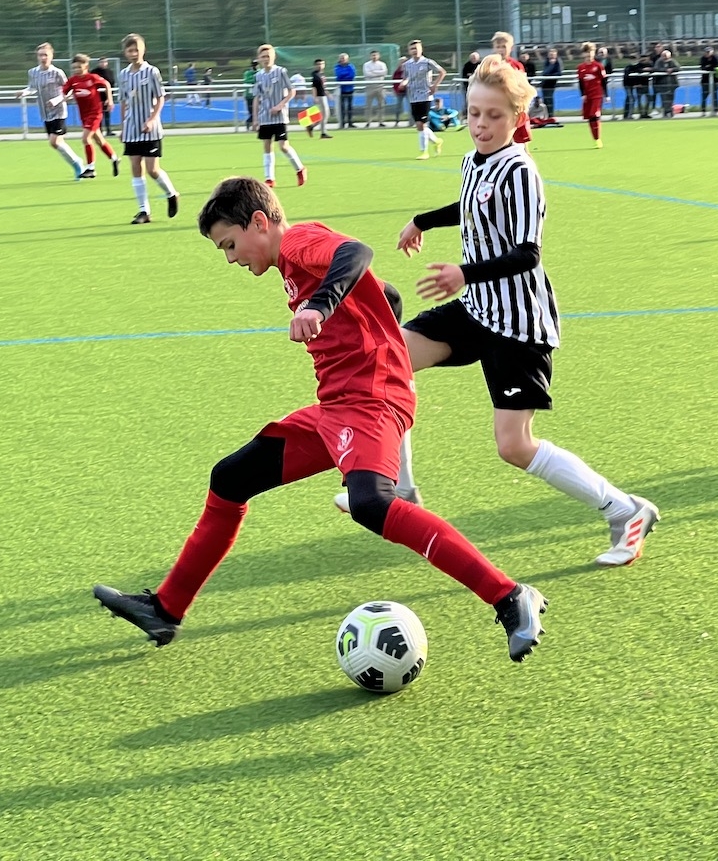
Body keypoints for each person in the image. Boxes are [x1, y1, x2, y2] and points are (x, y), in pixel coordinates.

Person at [93, 176, 549, 663]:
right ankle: (165, 608)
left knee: (371, 503)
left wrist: (319, 306)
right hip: (335, 407)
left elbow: (356, 253)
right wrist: (377, 321)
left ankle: (508, 596)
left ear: (259, 223)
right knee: (230, 479)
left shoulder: (297, 241)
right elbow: (386, 293)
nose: (230, 258)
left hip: (369, 401)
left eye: (229, 244)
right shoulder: (292, 261)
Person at [335, 55, 659, 567]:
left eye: (494, 116)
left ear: (517, 118)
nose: (481, 125)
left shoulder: (521, 172)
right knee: (388, 361)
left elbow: (528, 253)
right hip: (476, 310)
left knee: (514, 446)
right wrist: (422, 220)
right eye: (473, 113)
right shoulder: (474, 161)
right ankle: (400, 489)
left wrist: (464, 273)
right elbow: (472, 206)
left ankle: (626, 510)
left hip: (518, 325)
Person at [118, 33, 179, 224]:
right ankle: (143, 211)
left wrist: (152, 119)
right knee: (136, 167)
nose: (133, 53)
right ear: (125, 52)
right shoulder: (123, 75)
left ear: (143, 50)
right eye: (130, 50)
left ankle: (171, 194)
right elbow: (123, 102)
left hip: (150, 129)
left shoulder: (152, 71)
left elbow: (160, 98)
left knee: (152, 169)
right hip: (132, 128)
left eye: (136, 50)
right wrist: (122, 126)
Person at [16, 43, 84, 179]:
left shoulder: (57, 72)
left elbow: (69, 91)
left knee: (54, 141)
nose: (43, 58)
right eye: (40, 55)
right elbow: (32, 88)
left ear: (51, 56)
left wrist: (56, 100)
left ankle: (77, 164)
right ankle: (77, 162)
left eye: (45, 55)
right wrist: (24, 92)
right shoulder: (33, 72)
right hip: (45, 113)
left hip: (59, 111)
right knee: (57, 143)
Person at [253, 43, 307, 188]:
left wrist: (280, 106)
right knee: (267, 146)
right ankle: (269, 178)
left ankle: (300, 169)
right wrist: (255, 118)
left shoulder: (281, 72)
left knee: (283, 146)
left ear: (273, 57)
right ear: (259, 59)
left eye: (268, 56)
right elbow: (257, 97)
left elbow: (291, 91)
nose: (266, 59)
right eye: (263, 56)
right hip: (265, 117)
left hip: (280, 116)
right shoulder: (258, 76)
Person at [63, 52, 118, 180]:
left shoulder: (92, 78)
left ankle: (91, 168)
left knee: (86, 139)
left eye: (79, 67)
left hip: (95, 113)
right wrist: (64, 97)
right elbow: (64, 91)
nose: (76, 70)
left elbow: (106, 84)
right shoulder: (73, 80)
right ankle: (114, 158)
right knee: (99, 140)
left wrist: (109, 100)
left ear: (86, 66)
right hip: (84, 115)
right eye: (74, 68)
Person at [401, 39, 446, 160]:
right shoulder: (407, 64)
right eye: (412, 49)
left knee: (422, 124)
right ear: (409, 51)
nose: (414, 51)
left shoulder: (427, 62)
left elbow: (442, 72)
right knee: (419, 125)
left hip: (425, 96)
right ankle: (436, 141)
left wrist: (435, 85)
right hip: (412, 97)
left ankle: (424, 151)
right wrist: (403, 83)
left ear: (421, 49)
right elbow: (406, 78)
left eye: (416, 48)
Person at [490, 32, 532, 145]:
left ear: (511, 48)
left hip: (514, 108)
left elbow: (524, 87)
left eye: (504, 47)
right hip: (496, 108)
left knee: (521, 144)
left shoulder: (517, 65)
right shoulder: (489, 66)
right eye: (498, 47)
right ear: (494, 48)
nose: (500, 50)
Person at [577, 41, 605, 147]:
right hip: (587, 95)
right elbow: (580, 82)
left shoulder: (598, 66)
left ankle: (598, 139)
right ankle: (595, 138)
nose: (589, 55)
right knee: (589, 117)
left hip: (597, 94)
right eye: (586, 52)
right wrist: (583, 94)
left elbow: (604, 81)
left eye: (591, 52)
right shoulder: (581, 67)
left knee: (594, 114)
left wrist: (606, 95)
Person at [91, 57, 117, 135]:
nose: (103, 63)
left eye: (105, 62)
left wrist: (109, 98)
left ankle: (108, 130)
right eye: (101, 62)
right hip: (97, 97)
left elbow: (112, 84)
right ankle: (99, 131)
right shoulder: (94, 72)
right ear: (98, 63)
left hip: (107, 97)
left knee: (107, 115)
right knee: (98, 115)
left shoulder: (110, 72)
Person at [307, 59, 332, 139]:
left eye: (321, 64)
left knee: (325, 115)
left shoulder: (322, 74)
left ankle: (311, 126)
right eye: (318, 64)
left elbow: (323, 86)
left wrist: (328, 94)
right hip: (320, 96)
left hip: (323, 95)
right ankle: (323, 132)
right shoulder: (315, 75)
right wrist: (314, 97)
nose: (320, 66)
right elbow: (314, 87)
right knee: (324, 115)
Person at [363, 50, 388, 126]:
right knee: (368, 105)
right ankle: (368, 121)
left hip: (380, 86)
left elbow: (384, 72)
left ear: (378, 56)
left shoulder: (382, 64)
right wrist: (378, 73)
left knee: (381, 105)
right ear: (370, 56)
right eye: (373, 55)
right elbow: (367, 74)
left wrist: (373, 72)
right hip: (370, 86)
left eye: (375, 55)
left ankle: (381, 121)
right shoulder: (366, 65)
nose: (374, 57)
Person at [654, 49, 680, 117]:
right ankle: (665, 112)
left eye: (666, 56)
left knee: (671, 99)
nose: (665, 57)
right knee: (664, 99)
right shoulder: (659, 62)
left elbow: (678, 68)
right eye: (664, 56)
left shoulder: (672, 61)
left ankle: (671, 111)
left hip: (672, 84)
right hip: (662, 84)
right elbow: (656, 69)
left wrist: (672, 69)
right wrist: (665, 70)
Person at [334, 53, 357, 129]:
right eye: (341, 58)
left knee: (350, 107)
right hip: (341, 90)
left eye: (344, 58)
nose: (343, 60)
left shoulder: (351, 66)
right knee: (342, 108)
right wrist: (345, 76)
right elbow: (339, 76)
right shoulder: (337, 67)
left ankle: (350, 122)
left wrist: (344, 76)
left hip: (350, 89)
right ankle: (342, 123)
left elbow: (351, 75)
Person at [458, 51, 481, 124]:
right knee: (469, 102)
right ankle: (467, 116)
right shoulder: (467, 65)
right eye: (472, 58)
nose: (474, 59)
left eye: (475, 58)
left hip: (480, 88)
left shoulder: (481, 64)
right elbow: (465, 75)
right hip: (469, 87)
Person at [540, 48, 562, 118]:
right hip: (544, 83)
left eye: (553, 54)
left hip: (551, 84)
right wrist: (551, 66)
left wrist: (550, 73)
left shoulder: (557, 62)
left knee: (549, 99)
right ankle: (546, 115)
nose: (551, 56)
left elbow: (559, 73)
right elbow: (544, 72)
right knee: (545, 100)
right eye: (550, 54)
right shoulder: (547, 61)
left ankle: (550, 115)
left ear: (556, 55)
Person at [699, 44, 718, 116]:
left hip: (715, 80)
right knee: (704, 96)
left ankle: (716, 110)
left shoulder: (715, 58)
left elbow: (717, 66)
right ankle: (703, 111)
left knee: (715, 96)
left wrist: (709, 67)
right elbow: (703, 67)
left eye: (709, 52)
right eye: (706, 52)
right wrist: (710, 67)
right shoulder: (703, 58)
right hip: (705, 80)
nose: (707, 53)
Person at [390, 56, 408, 126]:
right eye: (401, 62)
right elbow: (394, 82)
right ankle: (397, 121)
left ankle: (412, 121)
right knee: (398, 106)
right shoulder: (397, 71)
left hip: (408, 91)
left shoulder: (409, 69)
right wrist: (395, 90)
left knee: (411, 106)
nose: (403, 63)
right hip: (399, 91)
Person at [242, 58, 258, 130]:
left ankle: (254, 125)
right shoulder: (247, 73)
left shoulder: (260, 72)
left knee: (259, 111)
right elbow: (247, 80)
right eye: (254, 65)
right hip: (249, 96)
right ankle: (248, 123)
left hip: (258, 95)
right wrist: (254, 77)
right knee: (251, 112)